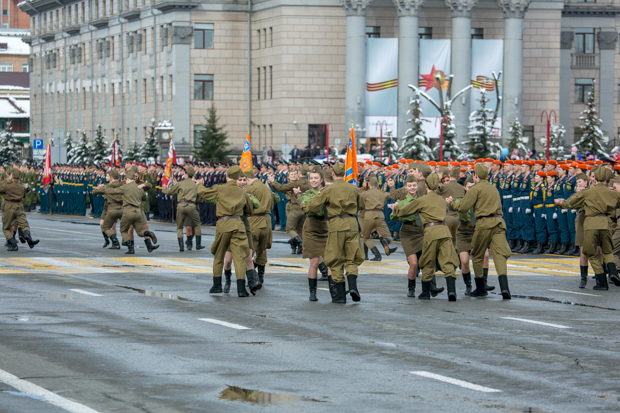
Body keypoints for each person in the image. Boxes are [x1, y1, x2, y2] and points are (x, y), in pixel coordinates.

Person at [390, 173, 460, 300]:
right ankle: (452, 292)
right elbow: (444, 211)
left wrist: (397, 209)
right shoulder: (441, 200)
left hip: (430, 231)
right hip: (444, 231)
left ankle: (426, 292)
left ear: (425, 185)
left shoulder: (422, 200)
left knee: (428, 260)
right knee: (448, 261)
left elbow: (404, 211)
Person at [447, 164, 512, 299]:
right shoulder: (493, 188)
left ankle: (481, 287)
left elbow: (464, 207)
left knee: (477, 254)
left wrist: (452, 203)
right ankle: (505, 289)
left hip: (484, 223)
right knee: (500, 255)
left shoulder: (475, 189)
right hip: (499, 222)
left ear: (475, 175)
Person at [305, 162, 365, 304]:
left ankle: (339, 296)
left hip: (336, 224)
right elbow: (362, 205)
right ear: (344, 173)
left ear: (332, 174)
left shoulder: (328, 190)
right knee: (352, 257)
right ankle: (353, 287)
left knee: (336, 259)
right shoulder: (353, 188)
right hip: (351, 223)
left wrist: (321, 197)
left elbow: (313, 207)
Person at [196, 166, 261, 297]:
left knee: (219, 255)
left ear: (226, 177)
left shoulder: (220, 188)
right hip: (238, 224)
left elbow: (204, 194)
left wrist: (200, 185)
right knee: (239, 257)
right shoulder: (242, 192)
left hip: (223, 224)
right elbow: (249, 209)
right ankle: (241, 289)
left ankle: (217, 285)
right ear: (238, 178)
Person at [555, 167, 620, 290]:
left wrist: (559, 203)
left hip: (591, 223)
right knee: (607, 251)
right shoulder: (612, 193)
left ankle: (601, 281)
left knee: (590, 252)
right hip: (606, 223)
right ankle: (613, 273)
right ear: (606, 179)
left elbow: (570, 203)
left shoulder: (587, 192)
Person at [102, 170, 159, 255]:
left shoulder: (125, 187)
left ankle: (130, 248)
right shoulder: (139, 188)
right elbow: (145, 198)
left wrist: (105, 187)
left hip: (128, 211)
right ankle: (149, 233)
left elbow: (113, 191)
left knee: (123, 230)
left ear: (127, 179)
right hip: (138, 212)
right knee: (140, 232)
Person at [296, 166, 331, 301]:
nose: (313, 180)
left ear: (322, 179)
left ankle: (334, 291)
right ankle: (313, 293)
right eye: (311, 178)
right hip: (310, 228)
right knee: (314, 262)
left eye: (316, 178)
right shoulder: (307, 194)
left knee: (329, 261)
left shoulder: (328, 192)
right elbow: (309, 210)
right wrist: (319, 197)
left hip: (324, 227)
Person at [389, 175, 425, 297]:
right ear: (405, 187)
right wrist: (395, 210)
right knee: (413, 263)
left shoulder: (422, 199)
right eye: (409, 186)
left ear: (417, 186)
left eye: (414, 185)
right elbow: (393, 217)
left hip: (420, 231)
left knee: (425, 262)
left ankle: (429, 288)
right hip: (407, 232)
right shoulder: (402, 200)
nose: (412, 188)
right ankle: (411, 288)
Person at [268, 165, 311, 254]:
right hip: (304, 208)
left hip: (295, 207)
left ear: (299, 173)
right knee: (299, 229)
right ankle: (299, 247)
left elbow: (281, 188)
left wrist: (273, 182)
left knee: (289, 228)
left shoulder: (296, 183)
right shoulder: (308, 183)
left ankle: (300, 243)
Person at [162, 166, 204, 252]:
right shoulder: (195, 184)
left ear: (186, 174)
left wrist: (164, 189)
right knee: (197, 225)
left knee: (179, 227)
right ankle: (198, 245)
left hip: (181, 205)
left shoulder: (180, 183)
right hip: (191, 206)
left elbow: (170, 192)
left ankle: (181, 247)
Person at [1, 168, 39, 251]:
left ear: (11, 176)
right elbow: (26, 191)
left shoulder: (6, 185)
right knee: (24, 224)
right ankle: (27, 234)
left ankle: (13, 243)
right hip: (19, 207)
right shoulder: (22, 187)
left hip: (9, 206)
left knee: (6, 228)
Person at [361, 176, 398, 261]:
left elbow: (360, 202)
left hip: (369, 215)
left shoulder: (365, 194)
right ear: (377, 184)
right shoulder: (382, 193)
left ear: (369, 184)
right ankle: (386, 240)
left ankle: (377, 254)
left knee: (366, 238)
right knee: (389, 237)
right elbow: (387, 197)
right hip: (380, 215)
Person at [91, 169, 123, 250]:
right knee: (102, 224)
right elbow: (94, 191)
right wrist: (100, 187)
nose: (106, 177)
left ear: (111, 177)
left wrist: (101, 187)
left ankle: (114, 242)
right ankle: (107, 240)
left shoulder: (115, 185)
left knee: (112, 226)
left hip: (114, 207)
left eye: (107, 176)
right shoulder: (107, 185)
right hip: (106, 206)